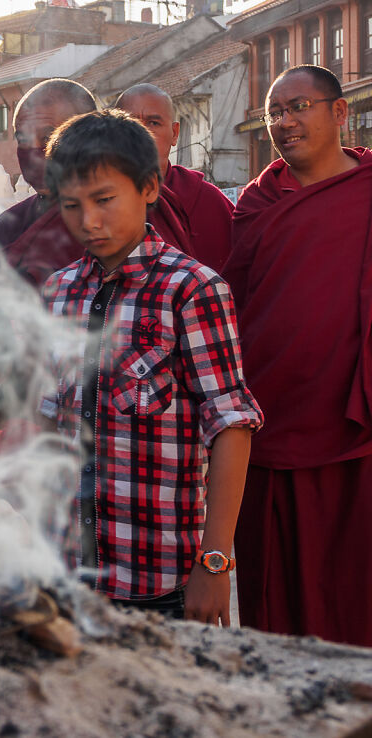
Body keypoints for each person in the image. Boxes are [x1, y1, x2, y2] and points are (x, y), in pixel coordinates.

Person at [41, 109, 263, 624]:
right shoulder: (58, 291)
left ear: (149, 188)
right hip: (67, 567)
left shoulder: (191, 290)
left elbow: (230, 425)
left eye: (103, 200)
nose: (88, 222)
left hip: (160, 575)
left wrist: (215, 560)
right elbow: (48, 422)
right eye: (71, 206)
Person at [222, 65, 372, 647]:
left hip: (355, 419)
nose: (284, 122)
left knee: (355, 582)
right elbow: (239, 305)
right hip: (274, 419)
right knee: (275, 586)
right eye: (274, 113)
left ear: (339, 112)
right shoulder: (257, 204)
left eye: (299, 107)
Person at [115, 83, 234, 272]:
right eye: (131, 124)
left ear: (175, 133)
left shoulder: (207, 200)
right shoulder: (98, 202)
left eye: (153, 123)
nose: (142, 134)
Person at [0, 79, 96, 289]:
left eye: (48, 138)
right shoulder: (8, 226)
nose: (33, 152)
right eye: (23, 139)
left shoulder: (117, 220)